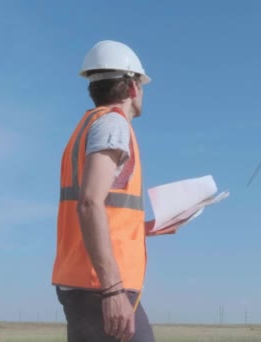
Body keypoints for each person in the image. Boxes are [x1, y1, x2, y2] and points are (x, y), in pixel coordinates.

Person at [51, 40, 177, 342]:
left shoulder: (89, 126)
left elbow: (101, 205)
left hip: (82, 279)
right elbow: (89, 203)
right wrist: (112, 290)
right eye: (142, 87)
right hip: (100, 285)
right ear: (133, 88)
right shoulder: (113, 125)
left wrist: (142, 227)